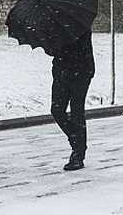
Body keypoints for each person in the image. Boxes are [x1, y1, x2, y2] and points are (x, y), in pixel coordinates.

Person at [50, 30, 95, 171]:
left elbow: (79, 48)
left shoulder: (78, 24)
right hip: (61, 72)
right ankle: (77, 141)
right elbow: (54, 50)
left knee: (77, 110)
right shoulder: (53, 25)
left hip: (80, 71)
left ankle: (78, 153)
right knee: (57, 110)